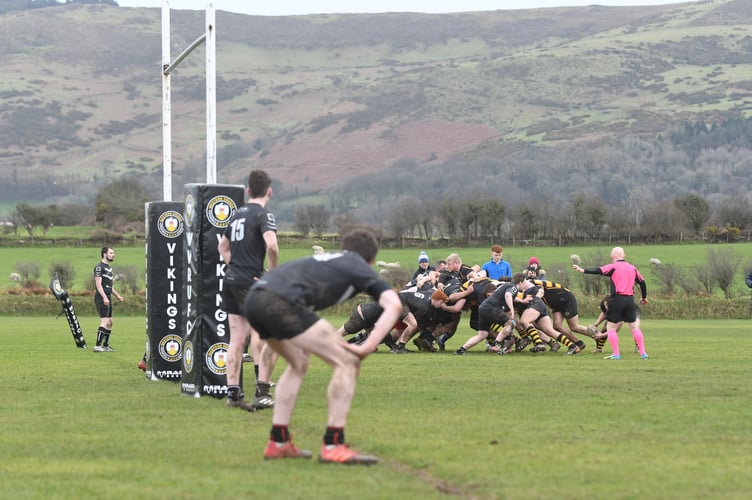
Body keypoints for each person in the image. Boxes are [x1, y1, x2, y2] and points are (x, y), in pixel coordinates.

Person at [244, 226, 402, 464]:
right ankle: (333, 444)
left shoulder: (327, 260)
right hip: (280, 302)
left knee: (298, 363)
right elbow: (394, 305)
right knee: (348, 361)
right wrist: (368, 346)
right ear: (371, 260)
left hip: (254, 298)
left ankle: (278, 441)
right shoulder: (359, 265)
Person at [218, 169, 279, 412]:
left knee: (236, 339)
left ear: (248, 190)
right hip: (251, 281)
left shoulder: (235, 215)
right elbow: (272, 246)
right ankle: (262, 391)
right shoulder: (263, 215)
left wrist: (234, 267)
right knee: (269, 335)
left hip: (231, 279)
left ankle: (233, 394)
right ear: (269, 191)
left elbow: (223, 247)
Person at [572, 246, 649, 360]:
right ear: (624, 255)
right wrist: (644, 297)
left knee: (611, 328)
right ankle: (643, 353)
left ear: (613, 256)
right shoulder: (632, 268)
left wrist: (583, 270)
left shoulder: (613, 266)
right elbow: (642, 282)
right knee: (634, 328)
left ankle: (616, 354)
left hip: (617, 299)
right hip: (630, 300)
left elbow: (599, 270)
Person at [93, 247, 124, 352]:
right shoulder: (99, 267)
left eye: (113, 253)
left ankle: (105, 345)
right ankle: (97, 346)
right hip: (101, 297)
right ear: (104, 254)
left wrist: (118, 296)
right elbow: (98, 285)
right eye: (111, 253)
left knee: (110, 322)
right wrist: (104, 297)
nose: (113, 254)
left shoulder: (109, 268)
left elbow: (110, 286)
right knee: (105, 321)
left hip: (108, 297)